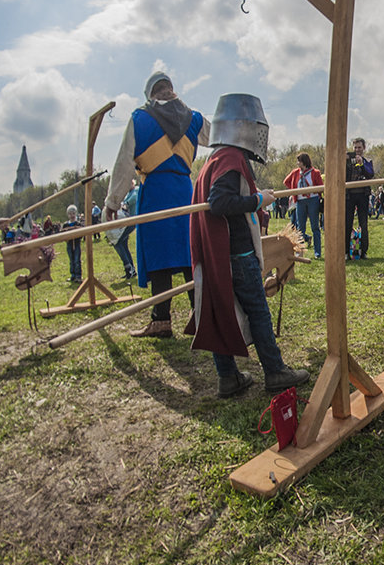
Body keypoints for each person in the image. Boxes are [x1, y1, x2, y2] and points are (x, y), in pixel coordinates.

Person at [186, 93, 309, 397]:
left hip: (220, 255)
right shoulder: (230, 157)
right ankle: (275, 372)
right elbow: (219, 202)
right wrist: (257, 200)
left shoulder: (214, 159)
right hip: (237, 255)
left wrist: (258, 199)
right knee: (257, 312)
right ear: (243, 128)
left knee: (219, 312)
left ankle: (228, 378)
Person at [105, 71, 208, 338]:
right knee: (189, 254)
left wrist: (112, 201)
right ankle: (200, 318)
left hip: (156, 195)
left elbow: (125, 161)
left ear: (150, 94)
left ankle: (161, 321)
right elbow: (220, 134)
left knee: (161, 257)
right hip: (185, 192)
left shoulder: (141, 118)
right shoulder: (193, 118)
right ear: (171, 89)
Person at [283, 153, 323, 259]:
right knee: (300, 228)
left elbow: (321, 186)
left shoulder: (315, 172)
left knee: (315, 227)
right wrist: (294, 190)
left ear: (304, 162)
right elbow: (286, 182)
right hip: (300, 201)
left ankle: (317, 252)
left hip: (313, 200)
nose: (297, 163)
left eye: (299, 161)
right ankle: (299, 252)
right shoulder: (295, 173)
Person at [343, 137, 374, 259]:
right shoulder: (347, 161)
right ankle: (346, 251)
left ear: (364, 148)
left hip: (363, 195)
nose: (357, 150)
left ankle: (363, 251)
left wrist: (361, 165)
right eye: (355, 148)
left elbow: (370, 174)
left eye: (359, 147)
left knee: (363, 224)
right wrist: (344, 162)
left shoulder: (367, 161)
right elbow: (342, 176)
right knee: (347, 223)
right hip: (349, 196)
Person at [110, 180, 138, 279]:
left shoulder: (136, 191)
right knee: (123, 244)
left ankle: (128, 268)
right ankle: (131, 269)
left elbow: (131, 201)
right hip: (127, 220)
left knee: (117, 242)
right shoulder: (127, 194)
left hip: (133, 220)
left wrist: (124, 204)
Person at [61, 205, 82, 282]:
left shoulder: (78, 223)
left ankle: (78, 275)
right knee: (71, 260)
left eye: (73, 213)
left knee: (77, 260)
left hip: (76, 244)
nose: (72, 215)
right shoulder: (66, 225)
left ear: (75, 213)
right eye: (70, 214)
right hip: (69, 244)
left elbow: (81, 233)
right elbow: (62, 234)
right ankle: (72, 275)